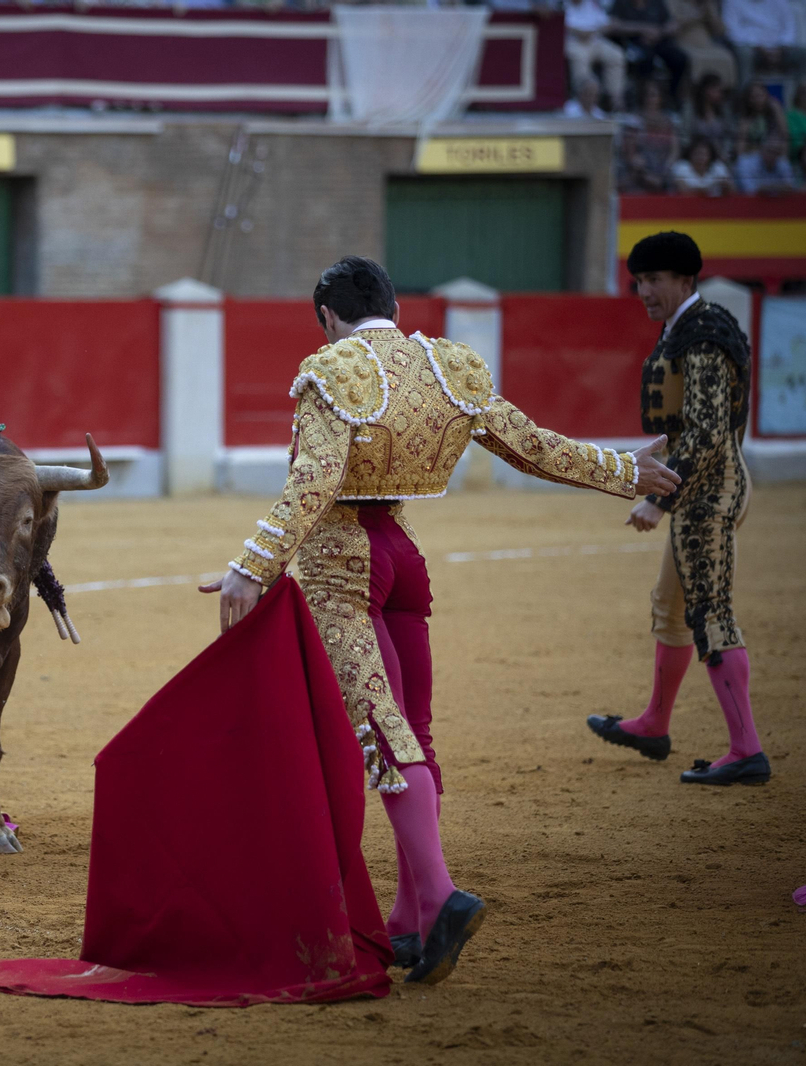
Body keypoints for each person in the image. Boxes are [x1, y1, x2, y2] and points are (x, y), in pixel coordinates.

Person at [201, 256, 681, 986]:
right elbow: (533, 446)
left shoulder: (332, 369)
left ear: (327, 317)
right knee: (413, 733)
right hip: (404, 559)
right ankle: (410, 919)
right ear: (394, 303)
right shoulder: (451, 364)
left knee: (385, 734)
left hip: (345, 562)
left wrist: (251, 564)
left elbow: (317, 480)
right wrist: (623, 472)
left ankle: (441, 895)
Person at [587, 232, 767, 785]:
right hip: (702, 486)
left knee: (710, 611)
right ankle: (654, 725)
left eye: (655, 280)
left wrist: (659, 497)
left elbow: (710, 431)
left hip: (707, 491)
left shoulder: (704, 335)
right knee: (672, 607)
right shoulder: (686, 328)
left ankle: (746, 750)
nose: (644, 290)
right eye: (639, 281)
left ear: (685, 281)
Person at [610, 0, 691, 105]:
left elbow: (672, 24)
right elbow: (613, 24)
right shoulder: (622, 3)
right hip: (633, 43)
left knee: (679, 58)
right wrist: (642, 29)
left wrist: (659, 32)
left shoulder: (657, 3)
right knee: (646, 60)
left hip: (659, 40)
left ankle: (673, 98)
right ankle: (643, 102)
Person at [723, 0, 806, 85]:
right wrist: (758, 47)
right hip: (752, 49)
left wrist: (780, 48)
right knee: (744, 54)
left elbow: (790, 28)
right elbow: (732, 32)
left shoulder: (780, 2)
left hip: (780, 49)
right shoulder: (732, 2)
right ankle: (745, 95)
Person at [568, 0, 630, 107]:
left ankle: (614, 98)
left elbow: (607, 23)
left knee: (616, 55)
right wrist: (577, 32)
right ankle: (584, 100)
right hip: (572, 42)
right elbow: (557, 23)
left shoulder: (592, 3)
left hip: (595, 40)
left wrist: (594, 32)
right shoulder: (560, 4)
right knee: (580, 57)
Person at [687, 72, 739, 161]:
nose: (719, 94)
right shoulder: (690, 108)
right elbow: (685, 135)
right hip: (696, 156)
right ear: (705, 90)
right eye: (716, 90)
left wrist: (725, 152)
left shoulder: (724, 110)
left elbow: (730, 134)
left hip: (722, 156)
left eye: (720, 91)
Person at [735, 79, 790, 155]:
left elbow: (784, 134)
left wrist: (784, 157)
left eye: (760, 95)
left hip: (774, 154)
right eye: (753, 97)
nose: (758, 100)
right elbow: (741, 141)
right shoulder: (746, 117)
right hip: (753, 155)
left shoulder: (774, 110)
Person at [672, 135, 737, 192]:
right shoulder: (682, 166)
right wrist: (708, 189)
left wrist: (726, 184)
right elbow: (684, 190)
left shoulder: (718, 166)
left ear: (710, 155)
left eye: (704, 154)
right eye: (697, 153)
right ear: (690, 154)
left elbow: (733, 190)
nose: (700, 157)